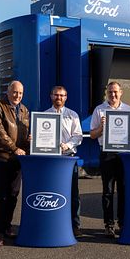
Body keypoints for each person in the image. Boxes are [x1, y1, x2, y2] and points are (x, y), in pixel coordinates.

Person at [90, 81, 130, 238]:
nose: (113, 94)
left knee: (123, 190)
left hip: (123, 155)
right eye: (110, 92)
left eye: (115, 92)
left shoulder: (128, 110)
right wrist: (102, 128)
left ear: (121, 92)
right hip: (107, 153)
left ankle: (122, 223)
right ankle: (108, 225)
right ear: (106, 93)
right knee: (108, 191)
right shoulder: (99, 110)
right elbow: (92, 135)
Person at [0, 80, 30, 247]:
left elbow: (25, 133)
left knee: (13, 194)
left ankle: (7, 226)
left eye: (20, 93)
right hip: (2, 156)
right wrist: (14, 148)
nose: (17, 96)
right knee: (0, 196)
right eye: (14, 92)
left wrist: (30, 141)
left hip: (17, 159)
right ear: (8, 91)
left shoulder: (24, 110)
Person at [44, 86, 83, 237]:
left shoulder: (72, 115)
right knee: (53, 193)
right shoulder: (44, 115)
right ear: (51, 96)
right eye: (56, 95)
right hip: (51, 159)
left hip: (68, 158)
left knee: (73, 194)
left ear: (66, 97)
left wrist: (67, 145)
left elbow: (78, 136)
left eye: (62, 95)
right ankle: (53, 224)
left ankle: (75, 225)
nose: (58, 98)